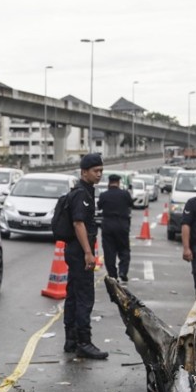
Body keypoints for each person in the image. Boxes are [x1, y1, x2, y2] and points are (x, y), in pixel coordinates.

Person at [62, 153, 109, 360]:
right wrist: (88, 253)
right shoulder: (82, 194)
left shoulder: (82, 191)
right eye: (95, 171)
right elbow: (78, 224)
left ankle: (71, 340)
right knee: (84, 297)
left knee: (73, 295)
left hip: (75, 250)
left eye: (101, 171)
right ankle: (84, 342)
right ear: (84, 172)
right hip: (80, 252)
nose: (99, 175)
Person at [97, 173, 133, 283]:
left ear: (109, 183)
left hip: (108, 225)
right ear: (118, 182)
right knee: (124, 250)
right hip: (122, 225)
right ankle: (123, 272)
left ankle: (112, 274)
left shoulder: (104, 195)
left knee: (109, 251)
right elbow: (131, 204)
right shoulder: (125, 194)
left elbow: (99, 206)